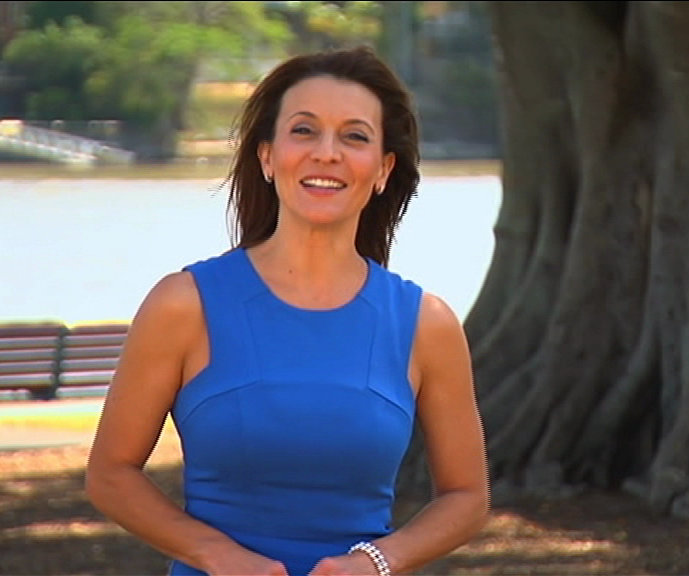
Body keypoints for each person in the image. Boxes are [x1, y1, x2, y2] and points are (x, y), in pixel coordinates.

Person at [85, 45, 489, 576]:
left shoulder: (424, 323)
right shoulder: (184, 304)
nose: (327, 153)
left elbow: (466, 496)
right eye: (304, 130)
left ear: (383, 168)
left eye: (354, 136)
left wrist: (376, 562)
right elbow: (111, 474)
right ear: (267, 157)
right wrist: (218, 556)